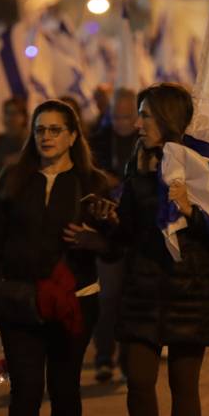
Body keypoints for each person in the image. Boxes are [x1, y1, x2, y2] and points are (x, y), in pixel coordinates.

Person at [0, 99, 111, 416]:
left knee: (65, 389)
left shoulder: (94, 183)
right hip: (20, 301)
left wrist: (96, 239)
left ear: (73, 135)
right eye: (41, 129)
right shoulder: (15, 179)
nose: (47, 136)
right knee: (26, 390)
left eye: (55, 129)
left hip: (74, 304)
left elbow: (119, 245)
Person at [102, 82, 209, 416]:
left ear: (168, 120)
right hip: (143, 285)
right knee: (138, 379)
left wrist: (192, 210)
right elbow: (129, 229)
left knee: (183, 384)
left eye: (147, 116)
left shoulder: (203, 165)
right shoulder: (137, 160)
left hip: (191, 288)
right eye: (139, 115)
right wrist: (104, 221)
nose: (138, 124)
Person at [88, 87, 139, 383]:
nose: (122, 122)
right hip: (107, 232)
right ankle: (104, 356)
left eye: (127, 116)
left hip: (134, 231)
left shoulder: (144, 142)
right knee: (107, 298)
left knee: (130, 298)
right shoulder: (98, 143)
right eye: (117, 116)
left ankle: (127, 358)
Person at [0, 98, 29, 173]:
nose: (10, 118)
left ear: (24, 117)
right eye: (7, 113)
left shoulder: (32, 141)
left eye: (14, 113)